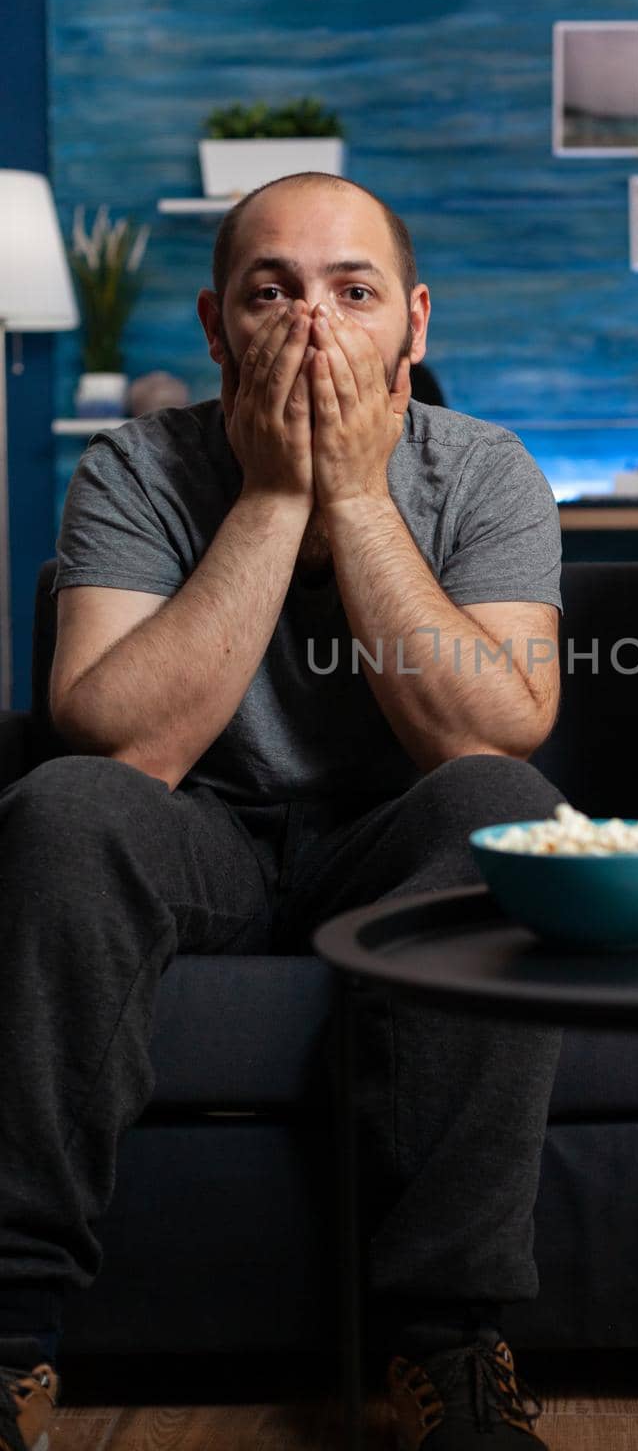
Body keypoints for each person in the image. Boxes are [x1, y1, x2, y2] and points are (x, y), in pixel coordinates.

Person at [0, 171, 567, 1451]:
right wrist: (270, 497)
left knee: (502, 802)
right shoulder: (136, 465)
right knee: (63, 804)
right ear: (214, 327)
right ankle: (8, 1341)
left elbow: (488, 731)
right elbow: (121, 735)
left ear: (413, 325)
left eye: (352, 291)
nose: (314, 324)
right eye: (273, 291)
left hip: (393, 843)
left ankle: (446, 1351)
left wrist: (358, 496)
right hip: (193, 834)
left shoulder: (485, 472)